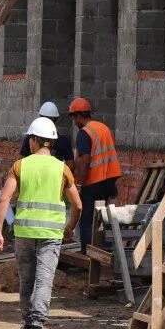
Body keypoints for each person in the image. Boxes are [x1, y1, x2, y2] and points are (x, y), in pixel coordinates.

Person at [0, 116, 82, 329]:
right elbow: (78, 205)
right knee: (44, 281)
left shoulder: (20, 166)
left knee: (27, 280)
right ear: (50, 142)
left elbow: (4, 199)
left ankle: (27, 324)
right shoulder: (62, 169)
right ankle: (37, 328)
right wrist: (70, 226)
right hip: (51, 234)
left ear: (34, 140)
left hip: (24, 232)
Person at [68, 97, 121, 250]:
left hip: (92, 182)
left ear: (78, 116)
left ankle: (87, 253)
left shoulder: (84, 133)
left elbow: (85, 161)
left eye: (73, 118)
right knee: (102, 217)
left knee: (87, 219)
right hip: (108, 179)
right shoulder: (103, 128)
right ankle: (103, 249)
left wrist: (79, 184)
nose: (74, 122)